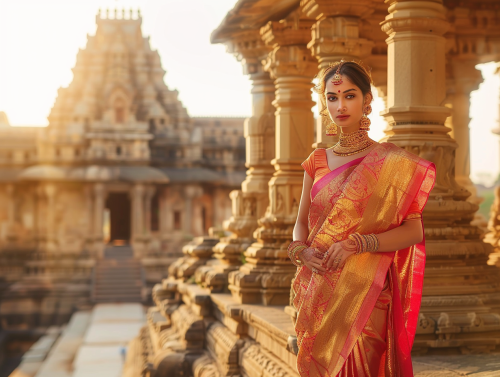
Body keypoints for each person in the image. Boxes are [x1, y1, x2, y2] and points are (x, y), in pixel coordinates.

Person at [288, 60, 436, 377]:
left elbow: (413, 231)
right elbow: (301, 221)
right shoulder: (316, 160)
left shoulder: (392, 163)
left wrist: (359, 243)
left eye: (350, 95)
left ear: (367, 100)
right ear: (324, 102)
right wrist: (301, 250)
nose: (340, 105)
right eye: (332, 97)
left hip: (367, 292)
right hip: (318, 288)